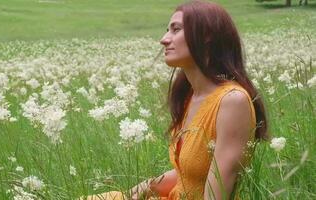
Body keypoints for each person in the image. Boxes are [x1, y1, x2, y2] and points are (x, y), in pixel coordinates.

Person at [82, 0, 268, 199]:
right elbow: (188, 176)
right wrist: (137, 192)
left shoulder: (232, 101)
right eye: (167, 30)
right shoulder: (191, 95)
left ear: (206, 36)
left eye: (175, 29)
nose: (164, 39)